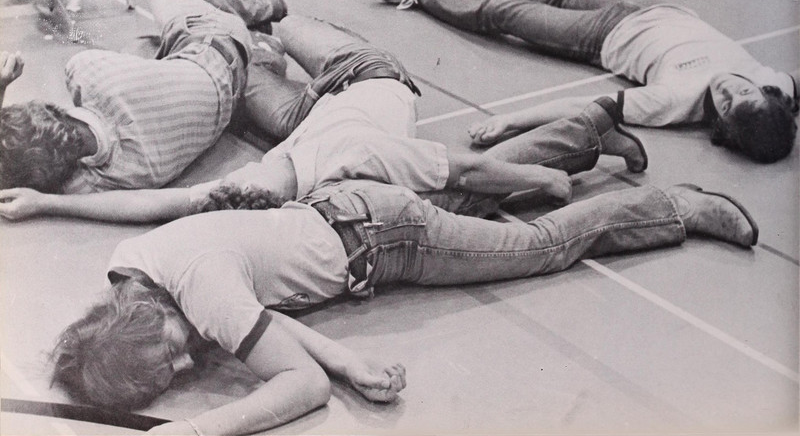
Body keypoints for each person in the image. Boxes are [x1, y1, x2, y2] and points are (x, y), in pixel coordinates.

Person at [50, 176, 757, 434]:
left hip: (388, 240)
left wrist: (200, 431)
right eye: (172, 375)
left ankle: (675, 207)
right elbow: (263, 322)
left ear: (143, 320)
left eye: (171, 355)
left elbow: (301, 386)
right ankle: (578, 144)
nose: (185, 367)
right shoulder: (132, 269)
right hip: (346, 209)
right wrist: (349, 359)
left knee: (538, 247)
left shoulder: (202, 292)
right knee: (475, 197)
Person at [0, 13, 650, 223]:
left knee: (284, 28)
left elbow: (471, 167)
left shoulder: (349, 158)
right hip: (314, 114)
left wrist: (549, 183)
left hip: (366, 74)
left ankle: (265, 20)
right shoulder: (283, 178)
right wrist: (49, 202)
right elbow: (161, 205)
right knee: (256, 72)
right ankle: (590, 126)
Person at [369, 0, 799, 163]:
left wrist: (512, 121)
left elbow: (585, 106)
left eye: (726, 104)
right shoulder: (773, 84)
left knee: (504, 14)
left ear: (719, 124)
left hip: (602, 36)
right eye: (744, 91)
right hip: (656, 7)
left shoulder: (673, 102)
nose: (729, 88)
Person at [0, 0, 289, 194]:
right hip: (215, 43)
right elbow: (86, 48)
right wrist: (4, 84)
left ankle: (261, 47)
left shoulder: (107, 180)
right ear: (46, 108)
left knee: (141, 48)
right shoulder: (87, 73)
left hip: (222, 101)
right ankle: (261, 1)